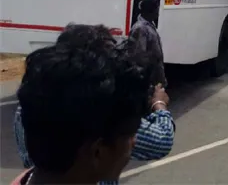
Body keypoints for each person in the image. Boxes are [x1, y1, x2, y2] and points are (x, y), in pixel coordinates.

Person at [13, 27, 176, 185]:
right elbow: (161, 141)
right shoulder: (106, 111)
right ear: (98, 152)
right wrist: (159, 104)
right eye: (129, 137)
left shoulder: (32, 107)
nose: (134, 142)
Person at [130, 0, 167, 87]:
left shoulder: (150, 25)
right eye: (157, 10)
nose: (158, 13)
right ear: (150, 11)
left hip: (154, 76)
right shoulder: (140, 28)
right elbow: (139, 56)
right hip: (147, 79)